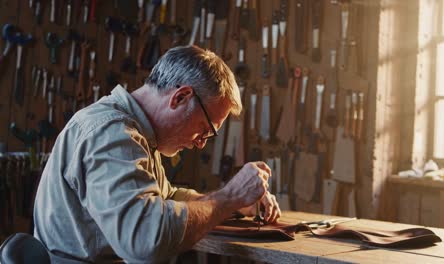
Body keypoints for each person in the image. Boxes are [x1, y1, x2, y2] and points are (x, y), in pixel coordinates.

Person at [33, 45, 281, 263]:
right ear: (181, 97)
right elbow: (144, 240)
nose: (201, 144)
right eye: (205, 130)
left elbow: (166, 197)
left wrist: (237, 205)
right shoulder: (112, 133)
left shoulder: (138, 134)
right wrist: (229, 197)